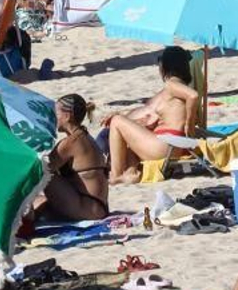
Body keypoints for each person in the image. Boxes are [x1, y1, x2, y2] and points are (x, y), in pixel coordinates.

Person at [106, 45, 200, 184]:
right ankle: (131, 172)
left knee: (117, 121)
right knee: (129, 131)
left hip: (165, 147)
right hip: (174, 147)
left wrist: (189, 124)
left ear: (165, 66)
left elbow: (193, 96)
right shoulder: (178, 89)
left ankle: (116, 174)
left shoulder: (171, 84)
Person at [35, 95, 109, 222]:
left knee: (43, 173)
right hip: (97, 207)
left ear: (67, 116)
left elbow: (41, 167)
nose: (53, 117)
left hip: (87, 208)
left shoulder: (72, 142)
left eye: (56, 113)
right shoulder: (83, 136)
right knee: (39, 202)